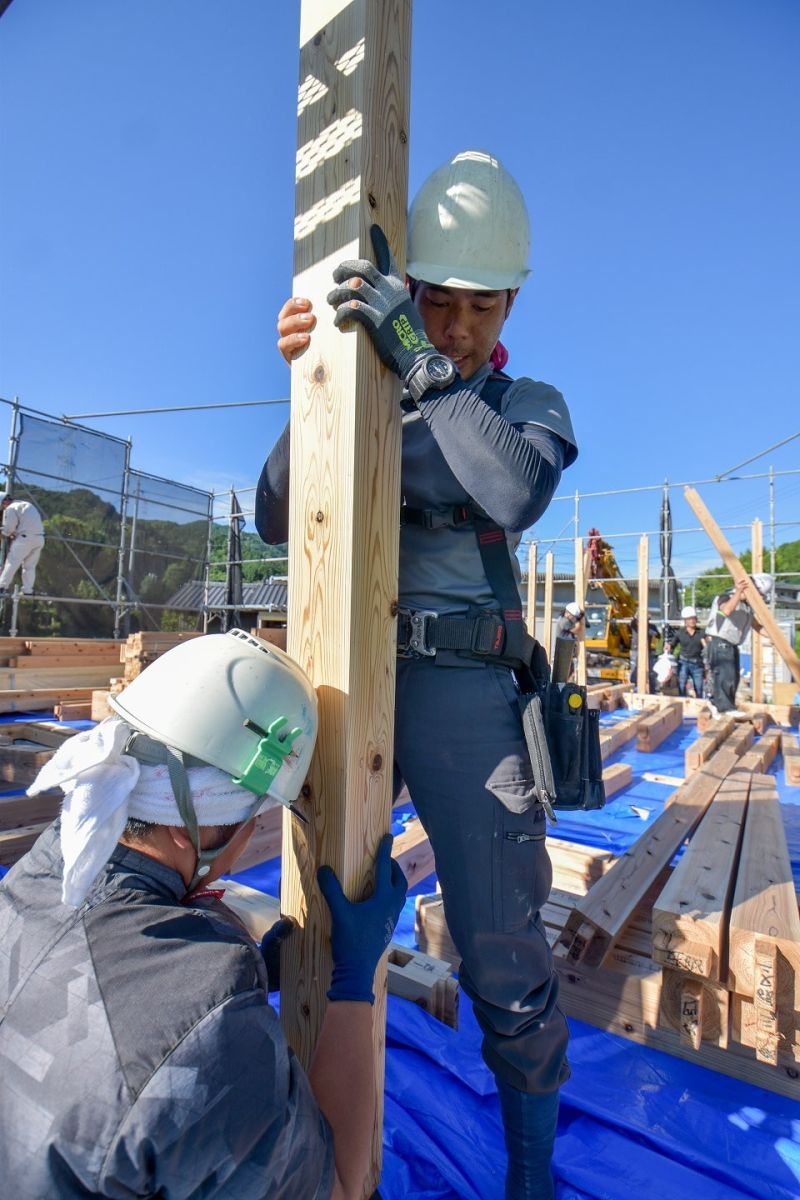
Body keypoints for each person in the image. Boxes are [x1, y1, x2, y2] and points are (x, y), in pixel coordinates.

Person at [257, 149, 578, 1200]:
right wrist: (311, 382)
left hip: (463, 697)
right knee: (316, 915)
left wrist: (415, 369)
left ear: (510, 302)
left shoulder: (523, 402)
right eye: (432, 304)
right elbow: (274, 509)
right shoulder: (379, 395)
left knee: (501, 960)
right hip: (352, 673)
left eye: (476, 308)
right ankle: (309, 1160)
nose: (452, 327)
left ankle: (528, 1184)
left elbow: (501, 485)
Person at [0, 629, 407, 1200]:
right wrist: (351, 983)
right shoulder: (204, 1022)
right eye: (257, 821)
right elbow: (341, 1186)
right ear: (208, 826)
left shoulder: (33, 876)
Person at [705, 574, 771, 715]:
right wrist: (739, 592)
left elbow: (757, 626)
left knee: (733, 677)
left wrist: (773, 637)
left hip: (732, 644)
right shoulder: (726, 597)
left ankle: (717, 705)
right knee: (724, 674)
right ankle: (725, 708)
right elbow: (726, 610)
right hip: (719, 641)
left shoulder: (747, 607)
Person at [0, 492, 45, 597]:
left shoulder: (11, 508)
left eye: (2, 506)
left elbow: (9, 528)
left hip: (25, 539)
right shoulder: (26, 504)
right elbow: (27, 524)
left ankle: (1, 586)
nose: (3, 508)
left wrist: (3, 534)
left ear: (4, 502)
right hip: (39, 538)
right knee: (29, 566)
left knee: (12, 562)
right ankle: (27, 590)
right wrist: (14, 533)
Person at [668, 605, 707, 697]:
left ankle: (698, 706)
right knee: (681, 685)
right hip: (683, 662)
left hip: (697, 664)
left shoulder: (701, 633)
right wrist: (669, 646)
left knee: (699, 688)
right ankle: (682, 706)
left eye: (694, 618)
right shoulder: (680, 633)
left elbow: (707, 647)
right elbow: (672, 644)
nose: (692, 621)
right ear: (685, 621)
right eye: (689, 619)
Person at [629, 615, 659, 693]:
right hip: (636, 651)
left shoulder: (652, 627)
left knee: (651, 673)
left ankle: (652, 692)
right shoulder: (636, 625)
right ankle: (635, 690)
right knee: (635, 673)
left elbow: (658, 635)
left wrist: (651, 631)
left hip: (648, 651)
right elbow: (632, 623)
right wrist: (635, 617)